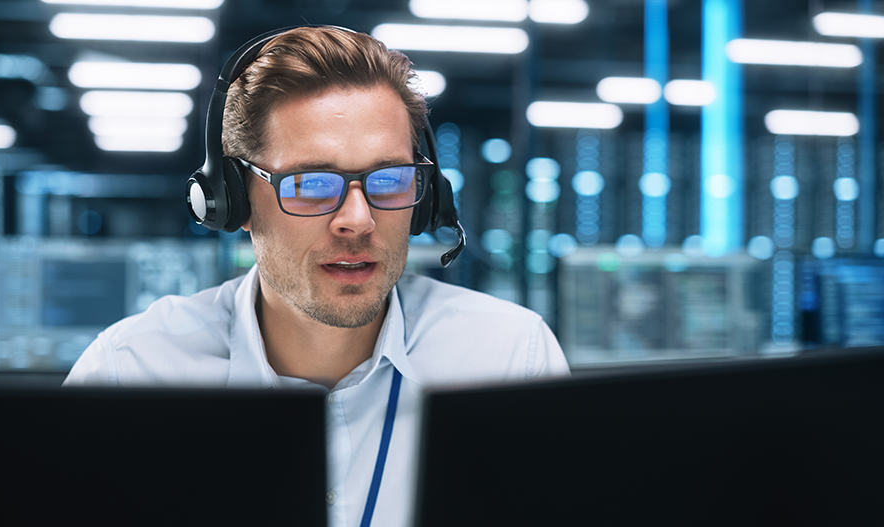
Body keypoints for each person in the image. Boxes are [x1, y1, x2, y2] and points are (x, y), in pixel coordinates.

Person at [64, 26, 570, 527]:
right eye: (310, 183)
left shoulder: (509, 358)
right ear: (231, 200)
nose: (359, 219)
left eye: (390, 179)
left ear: (427, 199)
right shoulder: (130, 374)